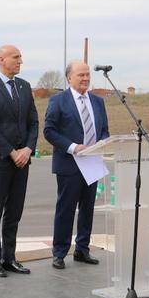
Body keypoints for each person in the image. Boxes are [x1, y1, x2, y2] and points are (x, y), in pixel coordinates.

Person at [0, 45, 39, 278]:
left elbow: (33, 122)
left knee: (14, 212)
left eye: (21, 57)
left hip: (22, 161)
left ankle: (9, 257)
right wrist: (13, 152)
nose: (20, 61)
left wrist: (28, 149)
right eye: (16, 57)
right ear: (2, 60)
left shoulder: (24, 87)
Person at [44, 61, 110, 269]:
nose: (85, 78)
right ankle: (60, 252)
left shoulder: (98, 102)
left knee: (88, 209)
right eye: (81, 75)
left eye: (88, 75)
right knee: (66, 209)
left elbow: (104, 130)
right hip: (69, 163)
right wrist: (73, 147)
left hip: (93, 163)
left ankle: (82, 249)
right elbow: (50, 131)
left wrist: (102, 143)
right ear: (69, 78)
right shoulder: (58, 101)